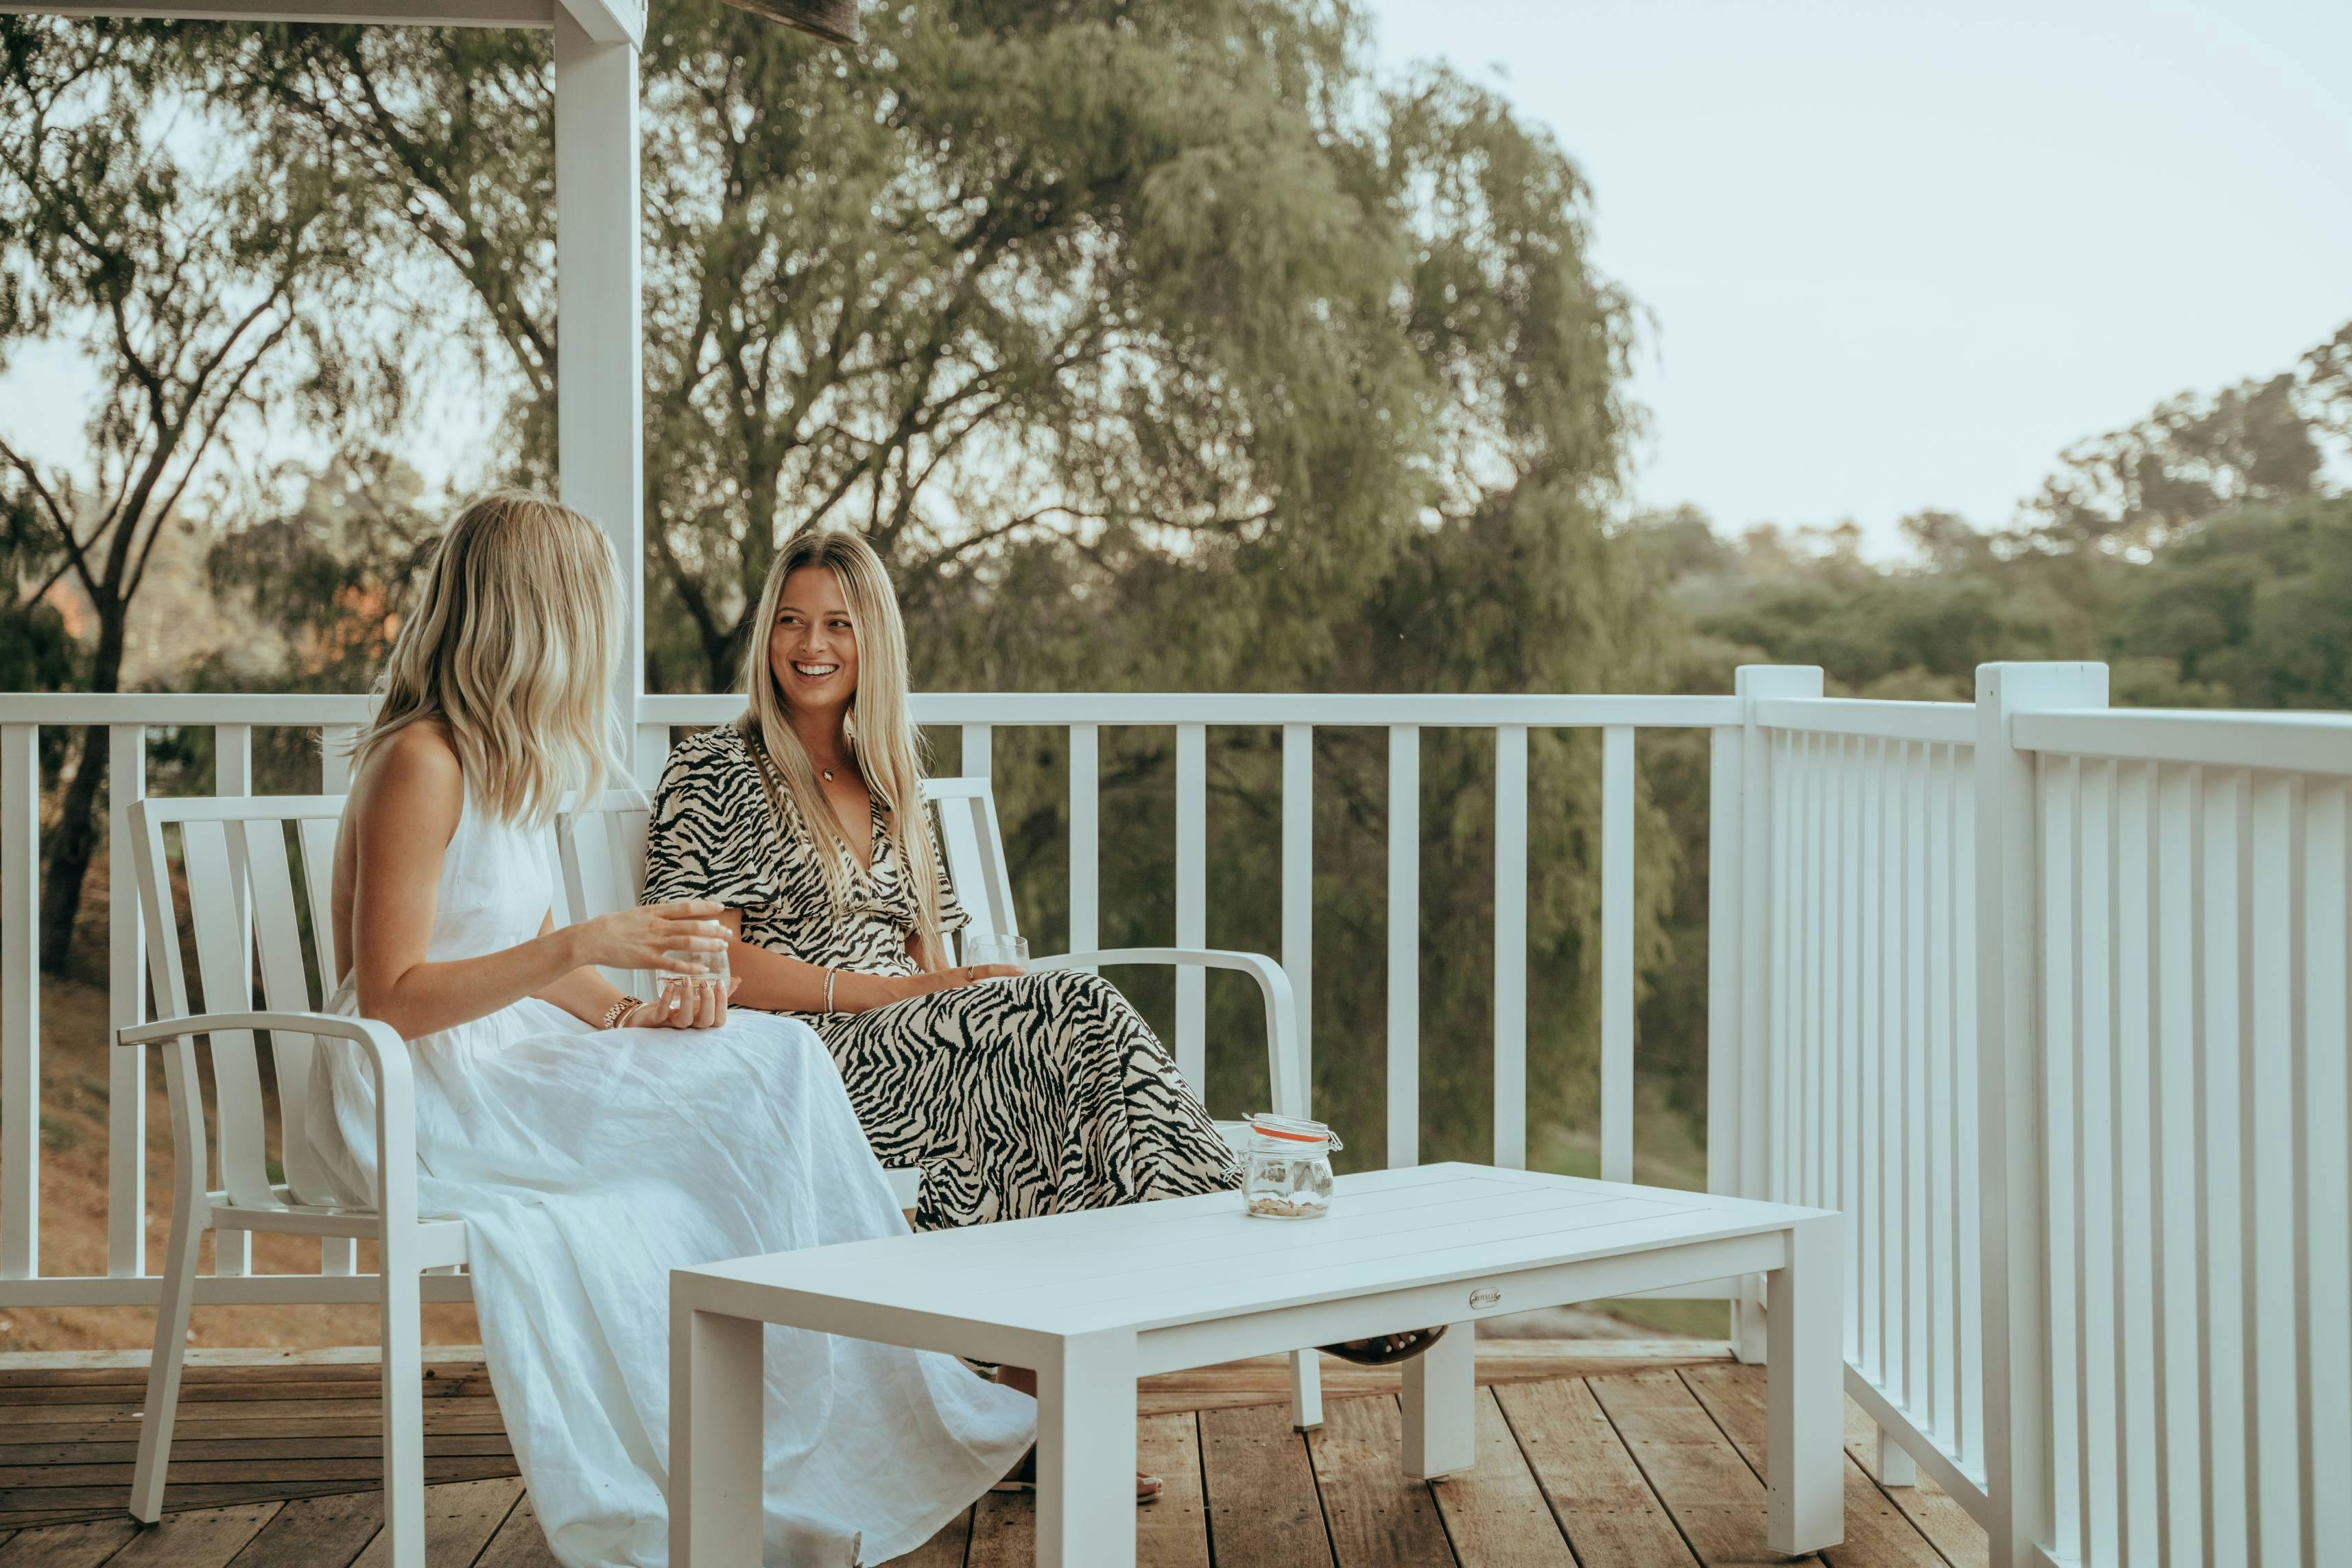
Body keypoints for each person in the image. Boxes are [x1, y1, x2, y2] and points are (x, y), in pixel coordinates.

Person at [305, 492, 1032, 1568]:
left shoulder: (498, 760)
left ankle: (844, 1411)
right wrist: (586, 943)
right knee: (757, 1081)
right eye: (592, 611)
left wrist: (630, 1012)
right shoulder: (421, 760)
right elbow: (391, 996)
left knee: (770, 1056)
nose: (603, 640)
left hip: (504, 1051)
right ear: (539, 615)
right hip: (423, 1086)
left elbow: (536, 955)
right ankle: (822, 1425)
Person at [638, 527, 1440, 1453]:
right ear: (765, 636)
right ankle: (1275, 1267)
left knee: (1053, 1060)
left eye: (837, 624)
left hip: (918, 1050)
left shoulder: (889, 778)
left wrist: (963, 993)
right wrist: (898, 995)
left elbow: (927, 953)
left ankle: (1036, 1418)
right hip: (800, 1062)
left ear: (873, 640)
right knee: (1073, 1012)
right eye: (789, 621)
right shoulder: (716, 768)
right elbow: (709, 961)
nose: (811, 645)